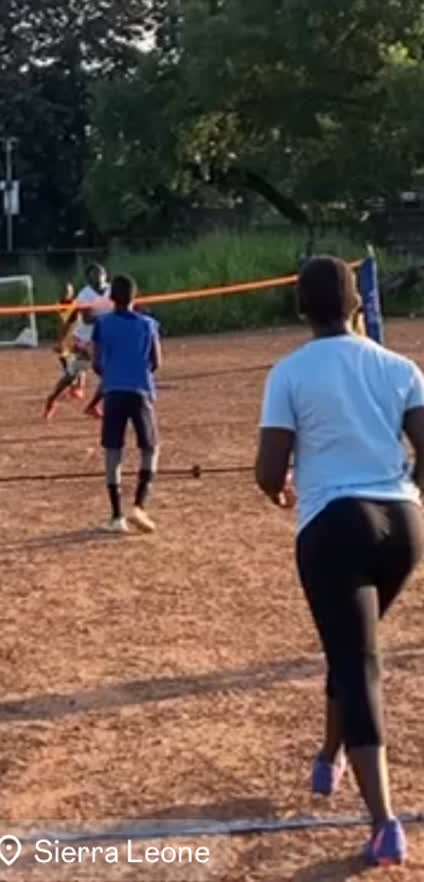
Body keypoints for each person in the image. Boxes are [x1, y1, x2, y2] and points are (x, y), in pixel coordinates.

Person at [255, 256, 424, 867]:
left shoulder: (290, 374)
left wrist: (280, 491)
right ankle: (327, 760)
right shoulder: (400, 367)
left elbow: (269, 473)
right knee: (350, 647)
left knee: (358, 664)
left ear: (300, 308)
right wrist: (408, 488)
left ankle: (384, 822)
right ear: (357, 304)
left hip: (333, 524)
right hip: (403, 528)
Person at [92, 274, 161, 534]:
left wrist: (112, 374)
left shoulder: (103, 324)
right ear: (135, 297)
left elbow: (98, 362)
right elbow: (157, 361)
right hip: (141, 390)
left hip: (113, 393)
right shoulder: (148, 325)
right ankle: (140, 504)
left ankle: (116, 515)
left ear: (111, 299)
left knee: (113, 452)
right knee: (150, 448)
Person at [44, 263, 112, 421]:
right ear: (89, 278)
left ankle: (92, 405)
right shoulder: (85, 295)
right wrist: (111, 318)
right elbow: (88, 320)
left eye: (102, 272)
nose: (100, 276)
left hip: (105, 338)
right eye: (95, 273)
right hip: (86, 340)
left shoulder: (111, 289)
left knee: (109, 374)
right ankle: (53, 399)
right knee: (74, 373)